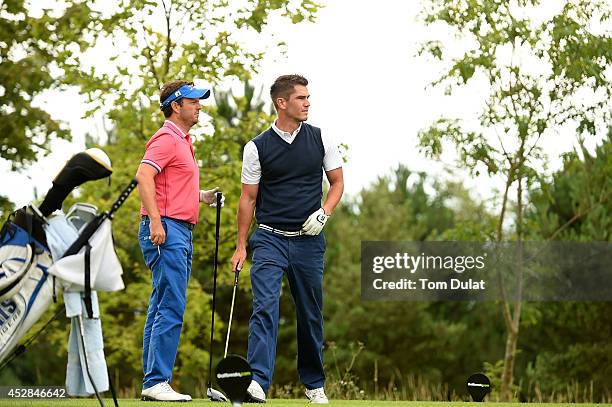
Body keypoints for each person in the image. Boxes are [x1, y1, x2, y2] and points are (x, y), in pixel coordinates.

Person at [231, 74, 344, 404]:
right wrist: (241, 245)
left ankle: (313, 383)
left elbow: (337, 183)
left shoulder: (322, 139)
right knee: (264, 308)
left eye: (308, 98)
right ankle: (258, 384)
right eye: (301, 98)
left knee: (310, 312)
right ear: (282, 103)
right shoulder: (256, 147)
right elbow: (247, 199)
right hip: (269, 239)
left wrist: (324, 212)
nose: (307, 103)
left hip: (309, 242)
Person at [136, 80, 224, 402]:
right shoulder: (167, 138)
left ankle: (152, 381)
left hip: (176, 229)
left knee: (160, 304)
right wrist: (156, 221)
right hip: (167, 230)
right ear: (176, 105)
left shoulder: (183, 141)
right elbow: (144, 176)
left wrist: (202, 197)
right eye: (194, 101)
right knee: (171, 305)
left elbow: (169, 185)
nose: (199, 106)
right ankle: (157, 381)